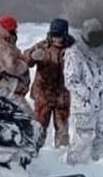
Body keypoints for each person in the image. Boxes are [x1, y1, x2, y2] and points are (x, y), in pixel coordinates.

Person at [63, 18, 103, 164]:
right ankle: (75, 167)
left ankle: (98, 165)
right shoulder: (74, 53)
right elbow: (71, 80)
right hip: (84, 106)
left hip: (102, 105)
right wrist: (87, 93)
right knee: (82, 139)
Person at [24, 18, 75, 148]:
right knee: (39, 127)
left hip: (63, 97)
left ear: (65, 34)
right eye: (54, 35)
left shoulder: (73, 49)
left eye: (59, 35)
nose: (56, 39)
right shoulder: (43, 46)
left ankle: (61, 154)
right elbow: (25, 59)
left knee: (62, 129)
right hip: (43, 95)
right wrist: (32, 56)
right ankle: (34, 151)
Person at [0, 15, 30, 101]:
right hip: (8, 88)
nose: (15, 31)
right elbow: (11, 66)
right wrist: (24, 65)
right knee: (24, 113)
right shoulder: (1, 46)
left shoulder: (5, 43)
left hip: (8, 87)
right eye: (12, 29)